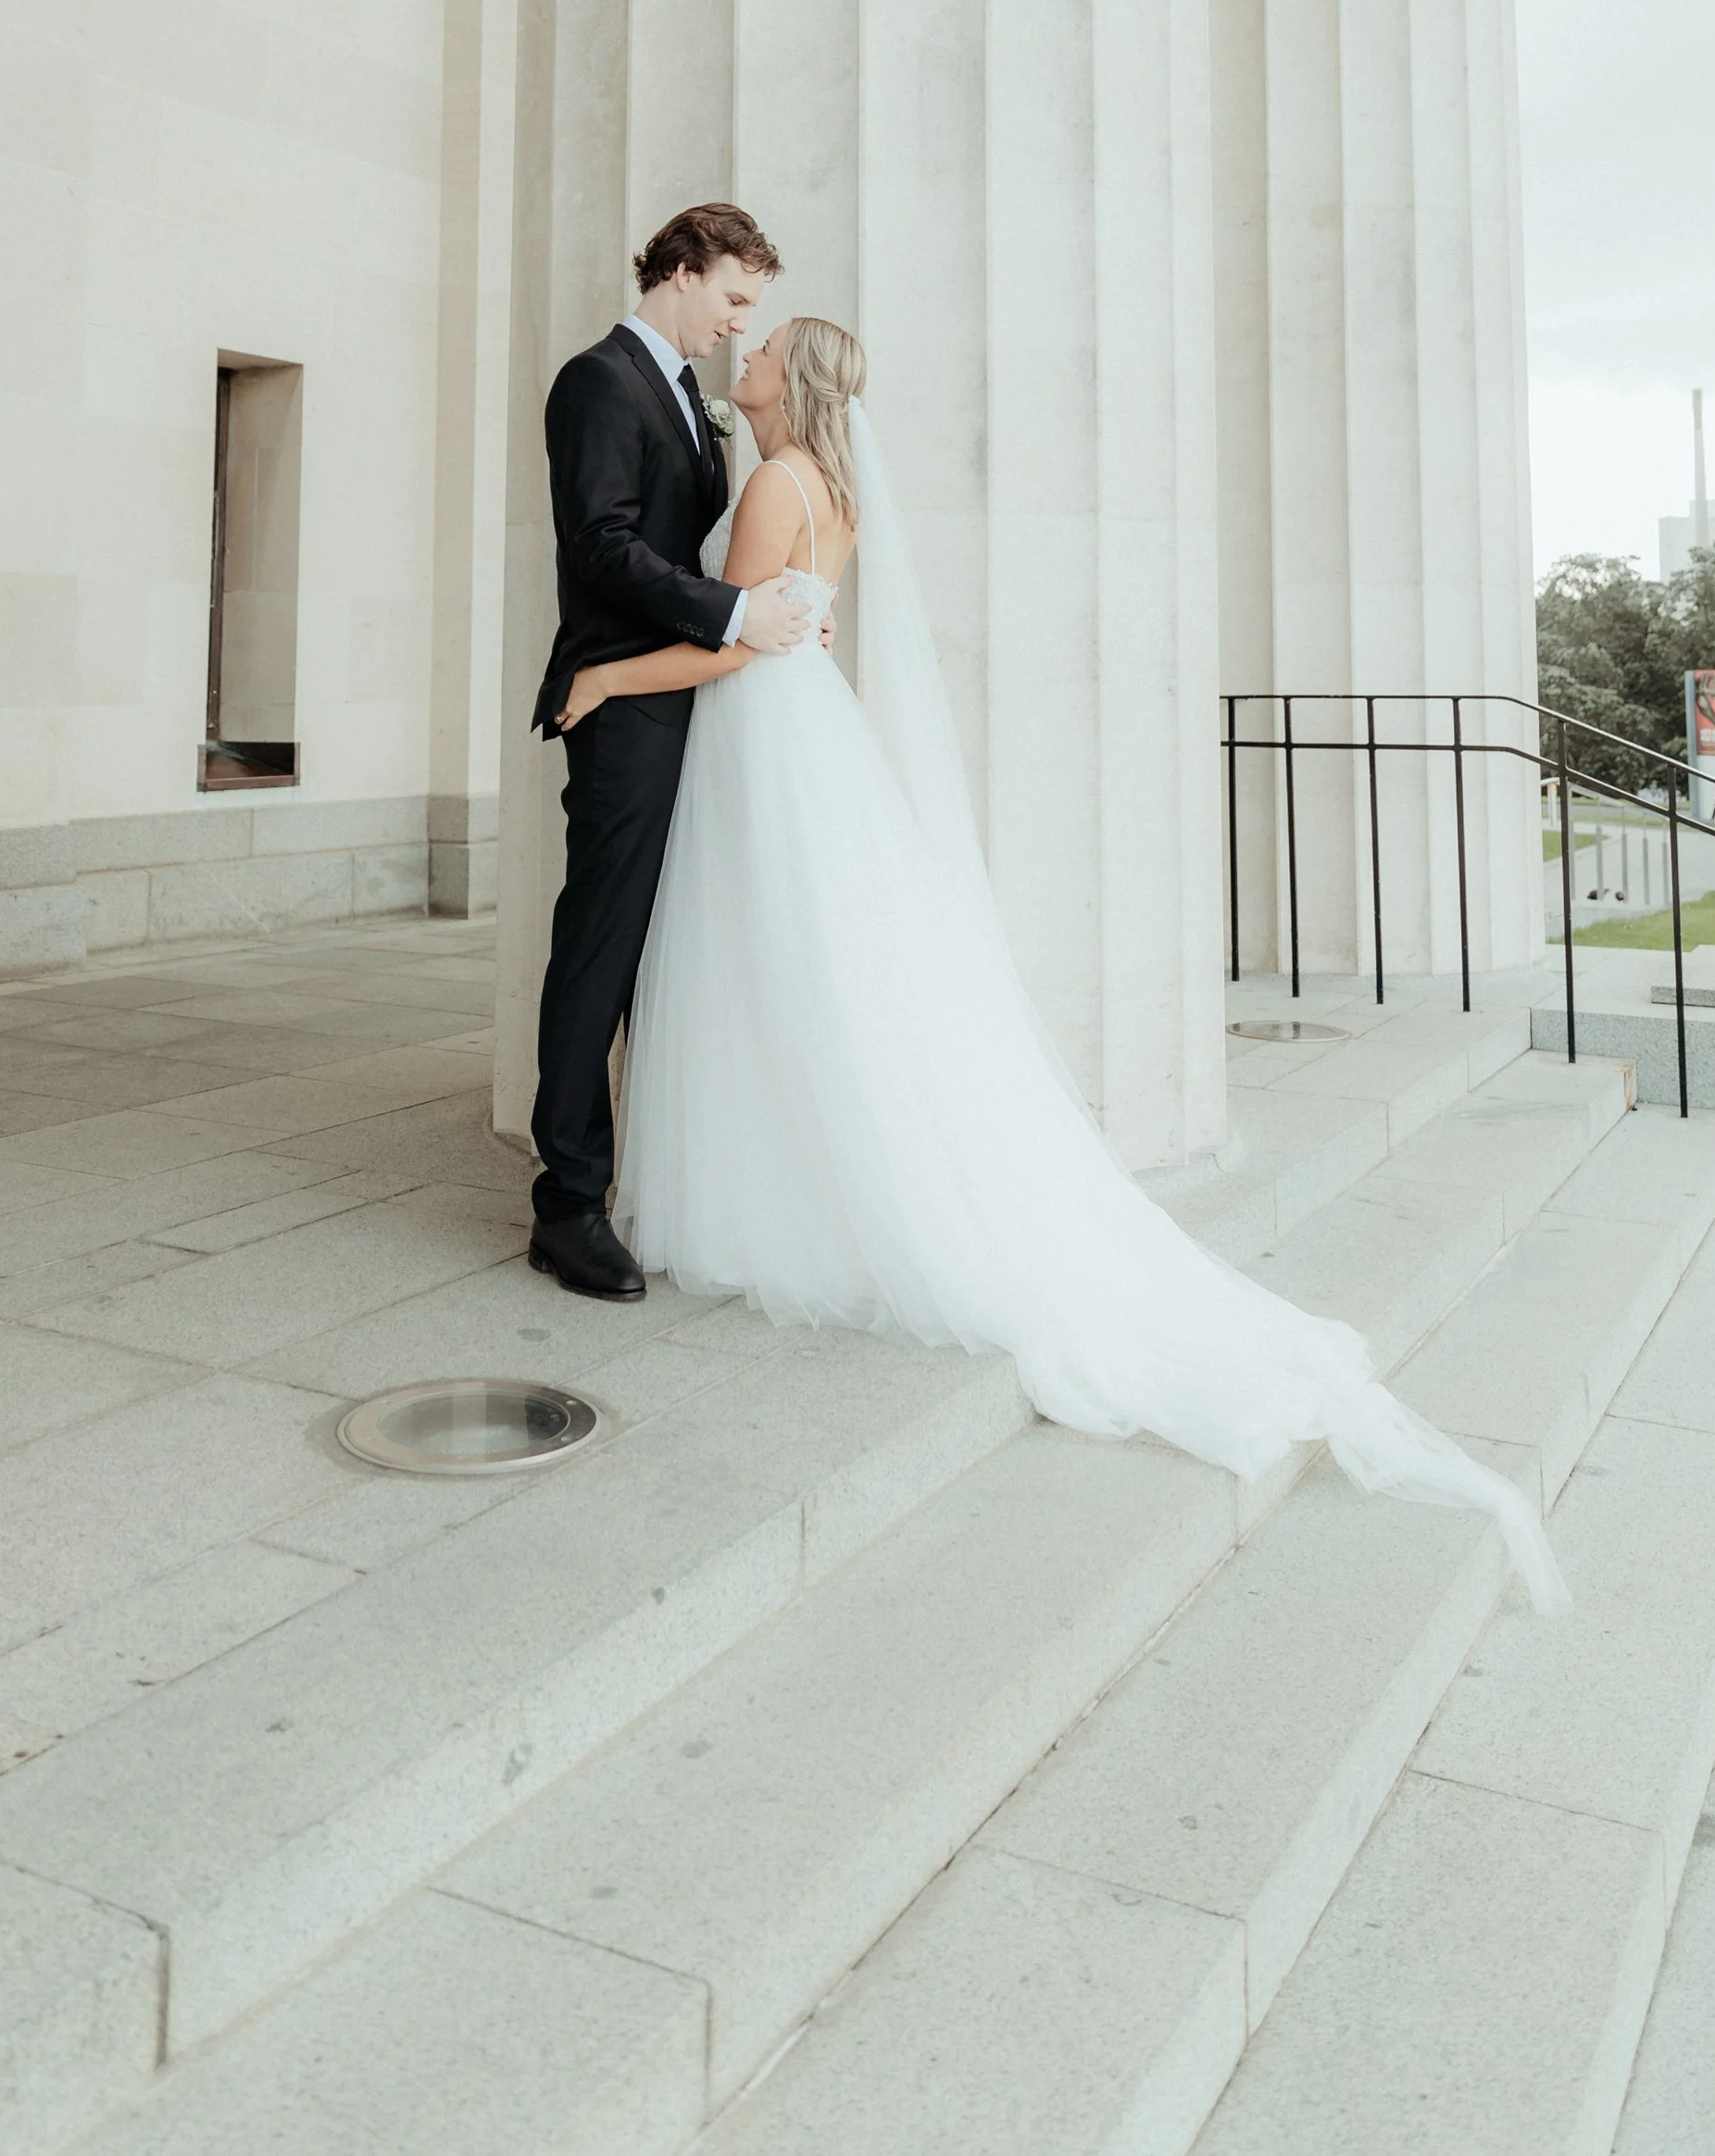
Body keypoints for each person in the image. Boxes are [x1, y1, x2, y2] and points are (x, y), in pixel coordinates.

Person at [555, 315, 1570, 1613]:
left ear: (788, 385)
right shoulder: (830, 486)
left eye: (758, 354)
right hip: (804, 741)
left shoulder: (773, 481)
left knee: (780, 976)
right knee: (810, 983)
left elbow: (740, 639)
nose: (737, 357)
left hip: (766, 739)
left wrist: (604, 678)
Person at [525, 204, 815, 1300]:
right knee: (598, 949)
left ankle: (654, 1172)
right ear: (682, 272)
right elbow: (598, 545)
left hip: (693, 704)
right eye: (735, 299)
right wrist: (735, 611)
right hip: (626, 719)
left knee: (670, 954)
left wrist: (780, 607)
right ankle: (565, 1205)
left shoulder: (692, 397)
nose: (741, 326)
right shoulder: (596, 380)